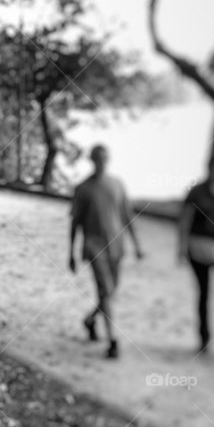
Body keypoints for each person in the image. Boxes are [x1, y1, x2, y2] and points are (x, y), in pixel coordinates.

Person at [69, 144, 144, 359]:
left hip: (116, 245)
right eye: (98, 158)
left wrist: (137, 245)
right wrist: (71, 253)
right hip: (94, 246)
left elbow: (127, 215)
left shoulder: (117, 184)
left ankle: (90, 319)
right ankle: (113, 341)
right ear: (92, 160)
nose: (102, 162)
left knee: (110, 293)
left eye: (105, 158)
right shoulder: (83, 188)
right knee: (105, 291)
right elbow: (75, 223)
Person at [177, 153, 214, 351]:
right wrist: (181, 249)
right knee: (204, 293)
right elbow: (184, 221)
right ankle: (204, 338)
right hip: (199, 247)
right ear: (209, 169)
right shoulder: (196, 193)